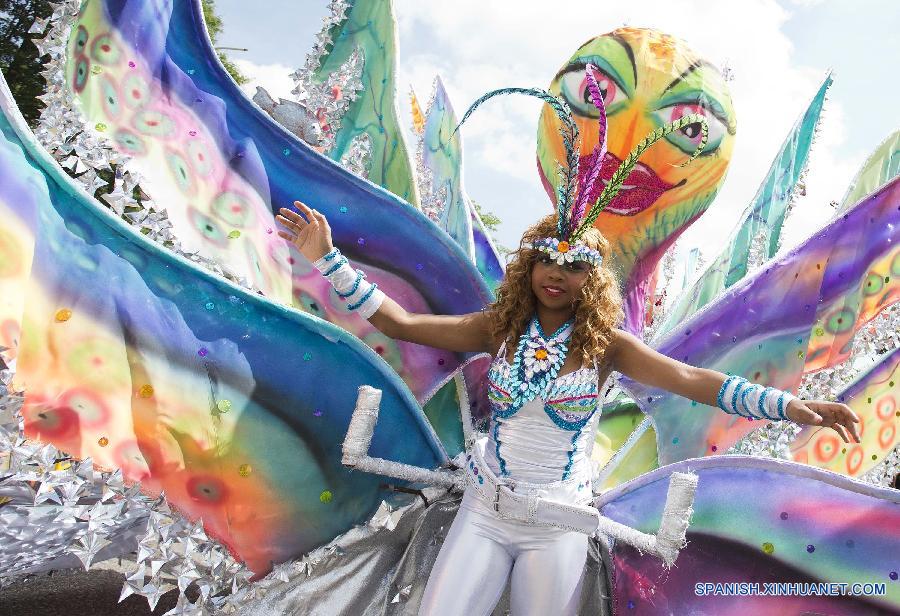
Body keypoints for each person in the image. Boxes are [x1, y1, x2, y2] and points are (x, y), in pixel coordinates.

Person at [274, 72, 861, 616]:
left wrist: (792, 407)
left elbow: (691, 381)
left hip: (558, 526)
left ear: (593, 278)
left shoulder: (609, 348)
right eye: (545, 260)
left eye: (575, 264)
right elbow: (400, 324)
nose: (557, 274)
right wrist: (328, 258)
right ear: (527, 267)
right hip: (483, 508)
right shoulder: (497, 330)